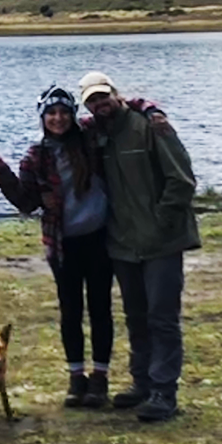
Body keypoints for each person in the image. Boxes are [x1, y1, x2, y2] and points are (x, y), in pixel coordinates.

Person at [0, 86, 119, 411]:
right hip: (63, 245)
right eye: (51, 114)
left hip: (100, 239)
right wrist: (3, 176)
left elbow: (125, 107)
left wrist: (154, 113)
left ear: (73, 115)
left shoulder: (90, 136)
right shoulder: (36, 156)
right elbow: (27, 204)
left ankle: (99, 378)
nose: (58, 119)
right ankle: (76, 379)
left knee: (101, 309)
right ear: (43, 118)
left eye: (63, 112)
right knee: (70, 312)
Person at [76, 69, 199, 423]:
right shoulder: (96, 135)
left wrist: (162, 223)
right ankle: (142, 383)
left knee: (162, 319)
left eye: (103, 96)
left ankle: (165, 391)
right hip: (123, 245)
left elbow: (182, 180)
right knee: (136, 318)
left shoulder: (151, 126)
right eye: (92, 100)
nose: (100, 104)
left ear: (116, 94)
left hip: (160, 243)